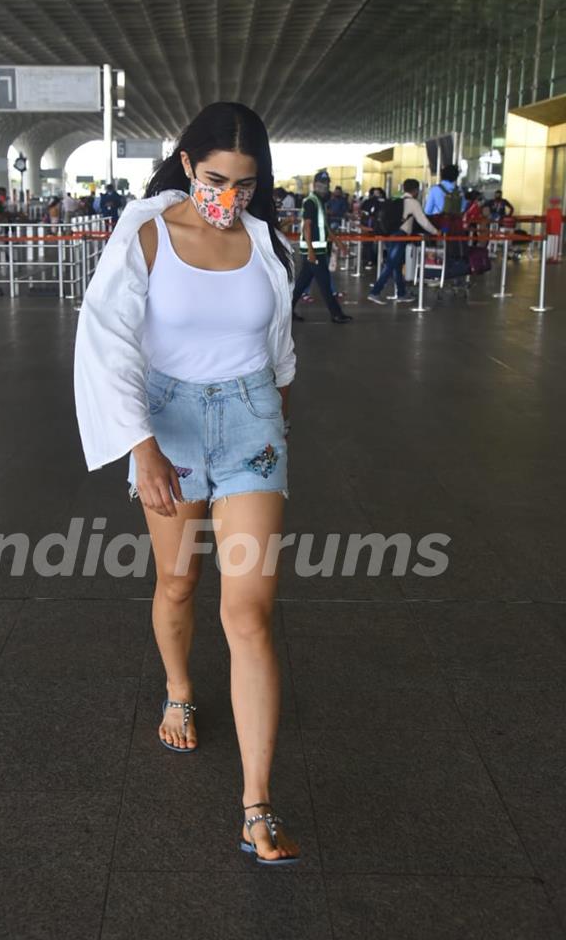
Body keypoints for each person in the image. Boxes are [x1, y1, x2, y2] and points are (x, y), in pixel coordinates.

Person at [74, 101, 301, 865]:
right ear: (186, 163)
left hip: (251, 426)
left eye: (245, 183)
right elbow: (106, 341)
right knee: (179, 582)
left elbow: (278, 347)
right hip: (166, 424)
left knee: (248, 612)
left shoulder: (267, 243)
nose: (228, 197)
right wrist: (141, 447)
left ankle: (256, 806)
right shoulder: (147, 235)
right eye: (215, 178)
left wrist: (276, 425)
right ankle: (178, 686)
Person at [291, 169, 352, 324]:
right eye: (322, 183)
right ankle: (336, 314)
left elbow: (324, 227)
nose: (325, 186)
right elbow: (307, 227)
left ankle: (286, 311)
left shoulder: (320, 203)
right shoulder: (311, 202)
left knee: (301, 284)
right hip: (314, 252)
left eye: (326, 183)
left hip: (317, 250)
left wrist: (339, 244)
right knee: (324, 283)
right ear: (315, 184)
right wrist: (311, 251)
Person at [367, 180, 439, 304]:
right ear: (415, 190)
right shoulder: (413, 203)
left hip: (390, 234)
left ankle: (401, 293)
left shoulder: (396, 200)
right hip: (400, 235)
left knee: (396, 265)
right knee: (391, 264)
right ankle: (375, 291)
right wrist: (435, 232)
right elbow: (423, 221)